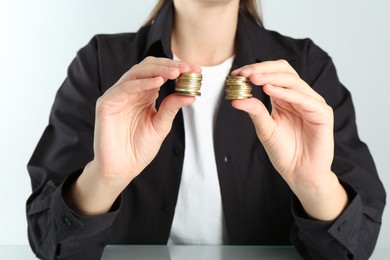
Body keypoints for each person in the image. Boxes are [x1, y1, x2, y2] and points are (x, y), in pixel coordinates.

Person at [26, 0, 386, 259]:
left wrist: (315, 186)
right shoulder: (101, 63)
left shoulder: (307, 67)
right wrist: (103, 179)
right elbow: (49, 242)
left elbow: (353, 248)